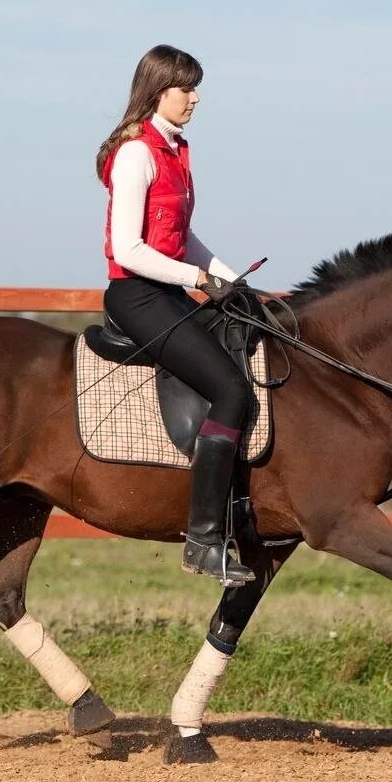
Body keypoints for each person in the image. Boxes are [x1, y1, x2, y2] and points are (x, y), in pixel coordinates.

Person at [96, 45, 254, 586]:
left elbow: (181, 238)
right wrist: (199, 280)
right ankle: (205, 539)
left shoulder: (176, 151)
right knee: (233, 390)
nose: (196, 97)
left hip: (164, 290)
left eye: (195, 87)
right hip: (136, 295)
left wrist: (229, 279)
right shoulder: (136, 154)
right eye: (186, 87)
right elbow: (128, 248)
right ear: (158, 90)